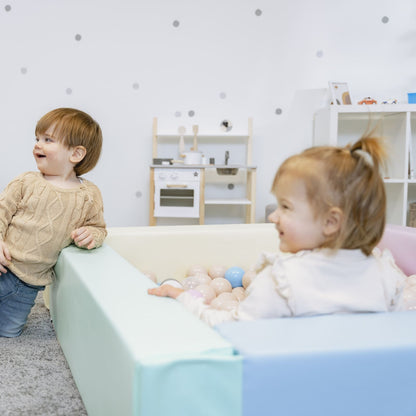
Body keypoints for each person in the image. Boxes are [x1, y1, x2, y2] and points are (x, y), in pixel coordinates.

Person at [148, 136, 406, 326]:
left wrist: (184, 298)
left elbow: (229, 329)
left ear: (330, 222)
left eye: (285, 207)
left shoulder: (284, 281)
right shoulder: (386, 277)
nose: (273, 216)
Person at [0, 108, 107, 337]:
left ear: (76, 154)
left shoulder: (88, 195)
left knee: (9, 333)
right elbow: (2, 212)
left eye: (48, 139)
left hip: (28, 288)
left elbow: (99, 228)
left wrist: (91, 234)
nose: (38, 144)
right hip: (3, 267)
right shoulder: (26, 182)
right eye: (37, 138)